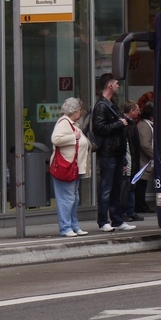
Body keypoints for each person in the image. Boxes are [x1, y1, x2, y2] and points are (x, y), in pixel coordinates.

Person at [91, 74, 134, 232]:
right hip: (108, 153)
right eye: (116, 84)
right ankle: (103, 221)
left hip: (116, 152)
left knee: (116, 187)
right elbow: (99, 129)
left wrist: (123, 160)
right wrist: (119, 124)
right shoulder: (101, 106)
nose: (118, 86)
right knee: (106, 188)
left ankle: (117, 220)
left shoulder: (111, 104)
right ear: (109, 86)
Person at [50, 98, 96, 237]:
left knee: (73, 198)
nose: (81, 112)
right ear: (74, 111)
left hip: (72, 167)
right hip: (66, 167)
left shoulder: (71, 123)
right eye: (79, 110)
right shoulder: (64, 123)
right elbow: (55, 139)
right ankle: (66, 227)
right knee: (67, 198)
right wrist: (73, 137)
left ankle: (73, 225)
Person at [120, 100, 145, 219]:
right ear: (131, 111)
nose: (139, 112)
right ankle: (125, 212)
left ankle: (130, 210)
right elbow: (124, 145)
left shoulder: (132, 123)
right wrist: (124, 161)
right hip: (128, 159)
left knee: (132, 184)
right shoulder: (124, 124)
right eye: (137, 110)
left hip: (133, 159)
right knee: (126, 186)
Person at [134, 103, 155, 214]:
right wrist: (155, 155)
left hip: (146, 161)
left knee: (143, 184)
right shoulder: (144, 126)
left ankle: (141, 205)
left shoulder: (147, 125)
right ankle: (140, 206)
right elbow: (145, 145)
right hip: (144, 162)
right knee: (141, 184)